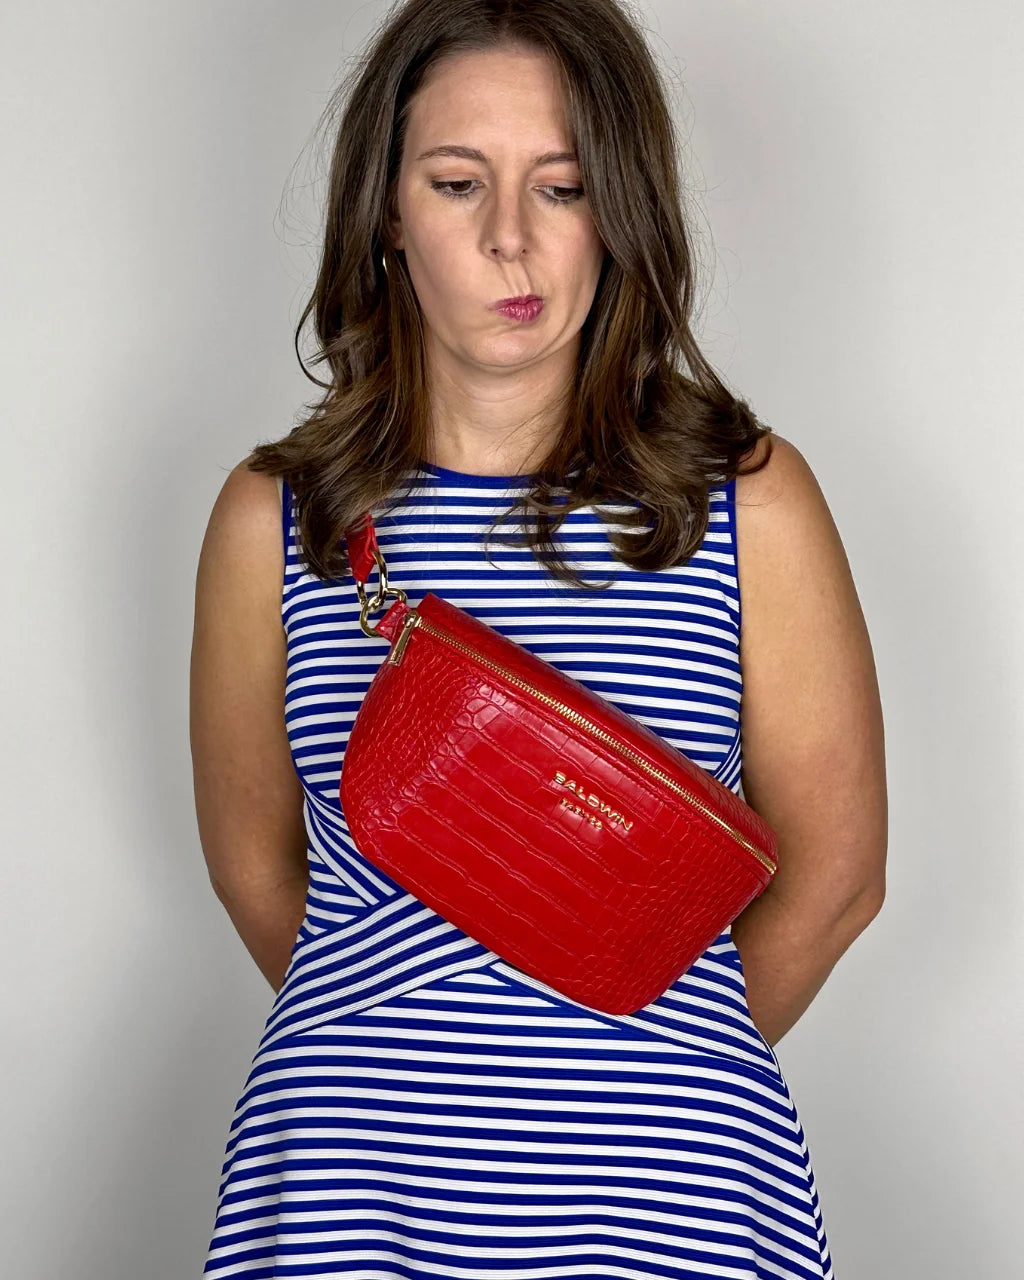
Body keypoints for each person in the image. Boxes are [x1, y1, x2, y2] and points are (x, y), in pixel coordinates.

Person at [190, 1, 886, 1275]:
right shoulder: (272, 520)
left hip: (670, 1199)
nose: (511, 238)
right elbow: (253, 870)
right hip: (348, 1196)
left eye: (560, 188)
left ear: (617, 210)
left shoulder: (746, 499)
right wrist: (414, 1040)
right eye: (457, 183)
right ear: (386, 213)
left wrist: (642, 1051)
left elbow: (836, 878)